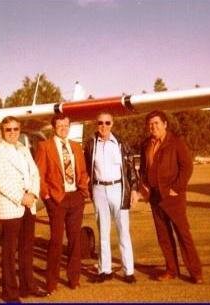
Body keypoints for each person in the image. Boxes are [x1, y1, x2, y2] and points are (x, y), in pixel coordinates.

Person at [0, 116, 49, 302]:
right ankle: (10, 293)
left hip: (28, 206)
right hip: (11, 207)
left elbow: (34, 173)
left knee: (27, 249)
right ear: (2, 131)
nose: (13, 133)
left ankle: (28, 286)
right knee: (9, 253)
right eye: (8, 130)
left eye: (16, 129)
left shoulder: (23, 149)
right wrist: (21, 197)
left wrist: (33, 195)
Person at [139, 110, 203, 284]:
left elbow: (187, 167)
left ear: (165, 124)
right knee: (164, 237)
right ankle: (171, 270)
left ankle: (196, 273)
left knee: (183, 234)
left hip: (173, 197)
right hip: (155, 197)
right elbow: (143, 169)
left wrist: (177, 187)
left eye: (157, 123)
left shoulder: (176, 142)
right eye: (150, 124)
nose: (153, 127)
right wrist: (143, 185)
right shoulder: (146, 144)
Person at [35, 113, 90, 294]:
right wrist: (47, 197)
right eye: (60, 126)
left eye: (66, 125)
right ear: (54, 127)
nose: (63, 129)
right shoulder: (45, 147)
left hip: (76, 197)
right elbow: (39, 175)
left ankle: (74, 278)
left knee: (75, 240)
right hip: (57, 199)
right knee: (56, 241)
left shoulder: (75, 146)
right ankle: (51, 282)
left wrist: (83, 191)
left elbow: (82, 170)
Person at [84, 112, 138, 284]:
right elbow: (86, 167)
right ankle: (104, 270)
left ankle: (128, 271)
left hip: (118, 189)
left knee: (123, 231)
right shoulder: (91, 144)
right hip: (99, 188)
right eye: (100, 123)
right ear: (96, 124)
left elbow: (131, 169)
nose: (104, 126)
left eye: (107, 123)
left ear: (112, 124)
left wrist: (134, 190)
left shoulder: (121, 144)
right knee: (103, 231)